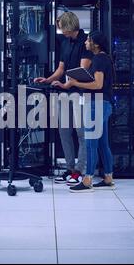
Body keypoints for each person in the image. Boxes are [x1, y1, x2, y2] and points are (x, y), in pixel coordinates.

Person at [34, 12, 92, 185]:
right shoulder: (66, 43)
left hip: (80, 93)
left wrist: (67, 84)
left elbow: (83, 71)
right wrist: (48, 79)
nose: (61, 32)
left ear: (70, 25)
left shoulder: (86, 42)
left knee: (81, 133)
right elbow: (61, 69)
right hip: (65, 94)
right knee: (64, 132)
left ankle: (80, 171)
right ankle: (70, 168)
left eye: (63, 28)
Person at [53, 30, 114, 193]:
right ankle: (108, 177)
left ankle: (87, 181)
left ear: (96, 44)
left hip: (97, 104)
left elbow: (98, 85)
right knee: (102, 143)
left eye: (88, 40)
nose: (86, 43)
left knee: (90, 143)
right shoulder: (103, 58)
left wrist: (77, 82)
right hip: (104, 104)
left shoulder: (99, 59)